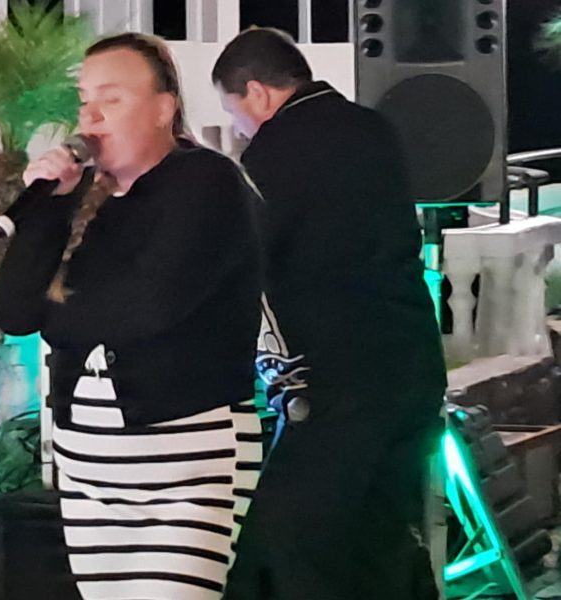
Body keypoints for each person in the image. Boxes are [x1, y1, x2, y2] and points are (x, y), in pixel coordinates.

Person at [0, 32, 264, 600]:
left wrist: (57, 319)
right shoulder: (85, 200)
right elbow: (15, 311)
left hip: (185, 468)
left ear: (163, 109)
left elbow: (147, 306)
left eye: (111, 99)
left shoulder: (207, 183)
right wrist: (49, 205)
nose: (90, 116)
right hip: (91, 473)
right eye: (84, 101)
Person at [212, 28, 448, 600]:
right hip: (414, 366)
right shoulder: (373, 128)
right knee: (380, 537)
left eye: (234, 112)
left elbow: (242, 262)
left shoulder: (272, 154)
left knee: (290, 545)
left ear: (259, 93)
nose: (239, 129)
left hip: (341, 383)